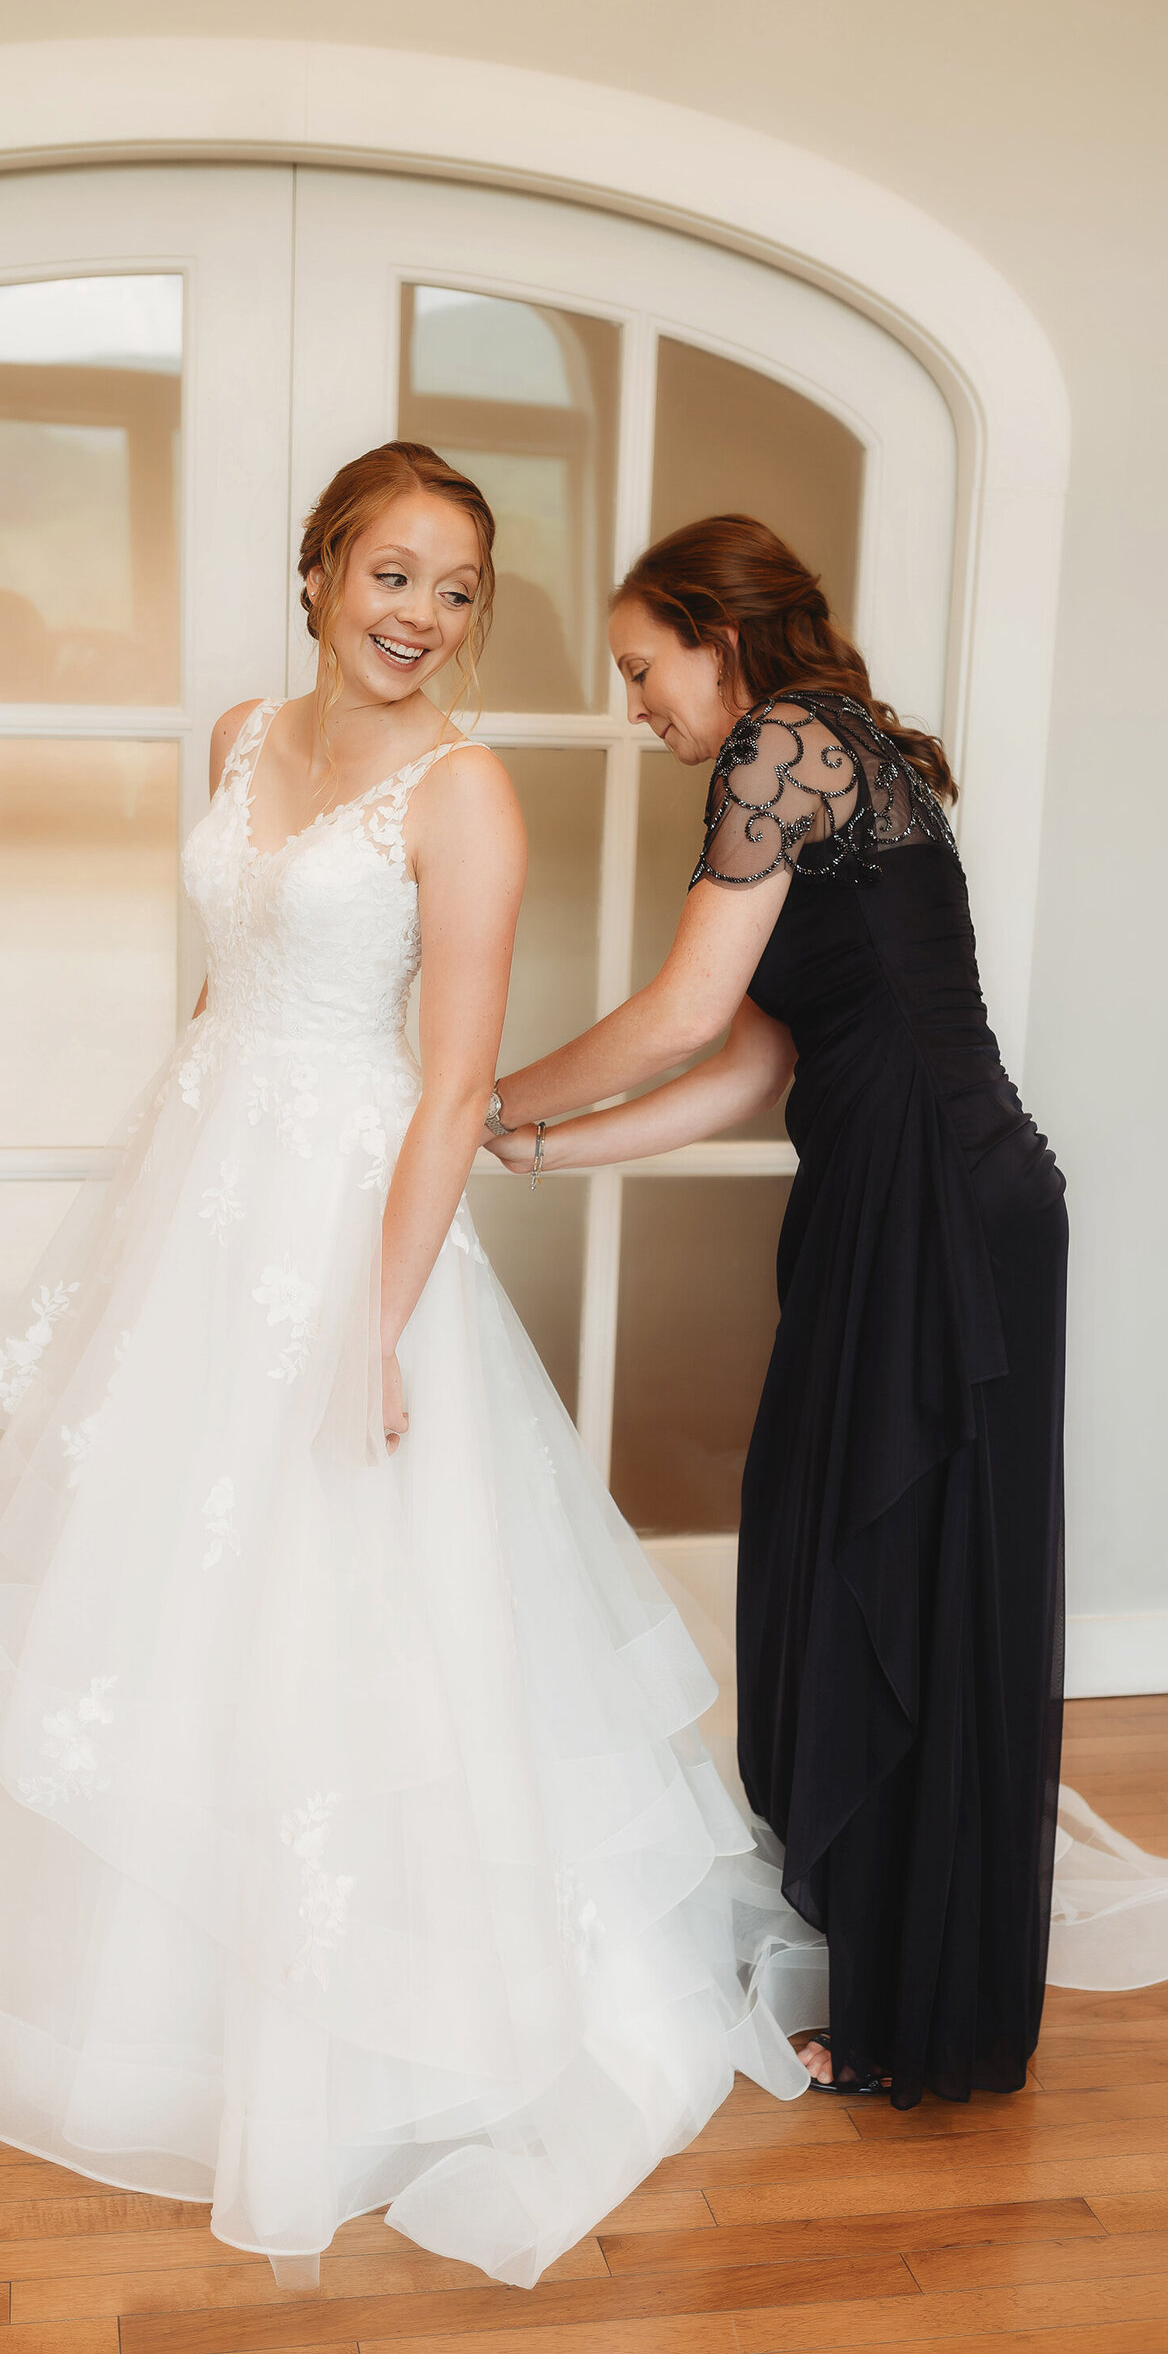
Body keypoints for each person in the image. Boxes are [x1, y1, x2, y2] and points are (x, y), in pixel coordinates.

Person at [0, 447, 816, 2293]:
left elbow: (452, 1081)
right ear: (318, 573)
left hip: (352, 1212)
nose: (421, 618)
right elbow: (223, 990)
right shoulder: (235, 733)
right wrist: (156, 1208)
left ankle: (367, 1996)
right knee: (161, 1584)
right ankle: (146, 1965)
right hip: (210, 1179)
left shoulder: (466, 796)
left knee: (341, 1583)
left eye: (459, 590)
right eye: (392, 573)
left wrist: (375, 1315)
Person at [489, 514, 1069, 2105]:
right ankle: (907, 1990)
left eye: (639, 666)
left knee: (903, 1577)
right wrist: (531, 1144)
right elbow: (750, 1063)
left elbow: (679, 1013)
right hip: (923, 1203)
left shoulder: (784, 744)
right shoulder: (834, 752)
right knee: (873, 1570)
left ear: (717, 635)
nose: (634, 706)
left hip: (938, 1210)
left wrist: (472, 1092)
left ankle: (914, 2019)